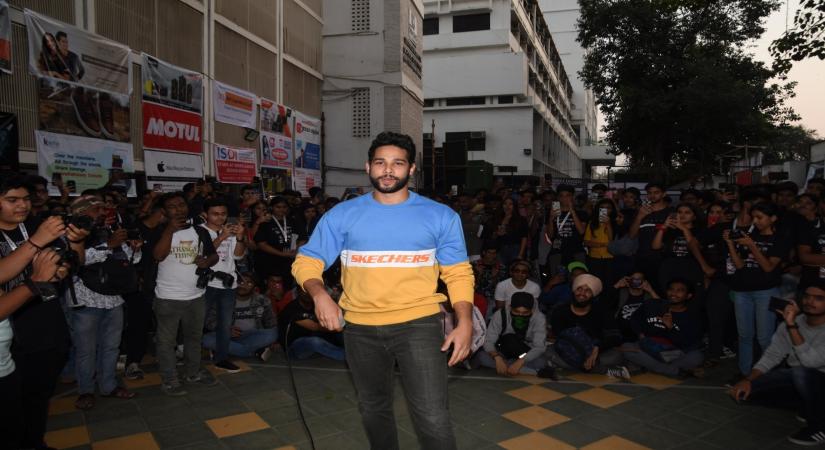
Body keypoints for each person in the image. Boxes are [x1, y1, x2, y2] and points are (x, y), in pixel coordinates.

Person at [292, 131, 474, 450]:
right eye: (380, 162)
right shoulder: (343, 215)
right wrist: (320, 294)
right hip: (359, 328)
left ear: (412, 169)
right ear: (368, 167)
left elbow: (458, 272)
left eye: (397, 163)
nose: (388, 170)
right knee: (373, 409)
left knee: (432, 416)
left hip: (418, 324)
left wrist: (465, 322)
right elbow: (307, 260)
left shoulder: (440, 216)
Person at [0, 173, 87, 449]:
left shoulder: (36, 225)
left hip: (47, 325)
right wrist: (36, 243)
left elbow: (73, 263)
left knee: (38, 400)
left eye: (25, 199)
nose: (22, 205)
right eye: (12, 200)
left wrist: (76, 243)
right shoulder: (38, 233)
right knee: (11, 409)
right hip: (12, 333)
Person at [729, 283, 825, 446]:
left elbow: (811, 363)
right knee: (746, 393)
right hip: (803, 380)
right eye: (807, 297)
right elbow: (772, 355)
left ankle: (820, 426)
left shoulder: (792, 323)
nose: (810, 301)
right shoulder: (794, 321)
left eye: (819, 298)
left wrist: (792, 326)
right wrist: (748, 380)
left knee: (800, 373)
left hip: (819, 378)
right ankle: (807, 407)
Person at [69, 195, 140, 410]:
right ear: (82, 211)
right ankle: (86, 391)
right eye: (98, 209)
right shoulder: (70, 232)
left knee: (111, 347)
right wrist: (108, 245)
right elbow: (75, 261)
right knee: (86, 350)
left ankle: (108, 386)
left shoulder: (108, 229)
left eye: (104, 209)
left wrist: (133, 247)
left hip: (114, 298)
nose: (102, 212)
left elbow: (130, 260)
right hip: (86, 299)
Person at [152, 192, 219, 396]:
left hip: (196, 295)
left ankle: (193, 373)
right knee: (166, 342)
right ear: (164, 211)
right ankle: (170, 380)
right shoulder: (159, 230)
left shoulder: (200, 231)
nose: (178, 209)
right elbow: (158, 256)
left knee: (193, 337)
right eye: (172, 206)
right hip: (168, 297)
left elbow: (213, 254)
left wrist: (207, 261)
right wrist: (170, 231)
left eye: (181, 204)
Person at [724, 202, 791, 377]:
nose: (756, 221)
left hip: (766, 291)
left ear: (773, 219)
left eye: (760, 217)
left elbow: (768, 267)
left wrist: (752, 245)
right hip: (742, 290)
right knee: (744, 336)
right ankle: (745, 374)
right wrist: (730, 244)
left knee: (765, 337)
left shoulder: (780, 239)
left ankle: (768, 375)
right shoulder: (750, 235)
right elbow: (739, 265)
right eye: (754, 217)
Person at [547, 273, 629, 379]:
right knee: (548, 352)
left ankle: (581, 367)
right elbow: (560, 337)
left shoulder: (602, 311)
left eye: (588, 291)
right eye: (579, 289)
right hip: (569, 351)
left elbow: (615, 336)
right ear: (574, 291)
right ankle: (603, 370)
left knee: (615, 356)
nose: (582, 293)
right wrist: (583, 352)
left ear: (593, 295)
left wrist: (597, 347)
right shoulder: (560, 310)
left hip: (598, 352)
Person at [622, 278, 705, 377]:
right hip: (649, 348)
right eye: (671, 289)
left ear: (688, 296)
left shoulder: (692, 316)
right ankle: (672, 371)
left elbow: (688, 343)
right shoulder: (653, 304)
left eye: (680, 290)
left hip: (673, 353)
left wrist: (671, 328)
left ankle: (652, 366)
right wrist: (640, 334)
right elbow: (635, 319)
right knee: (626, 348)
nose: (674, 293)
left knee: (697, 356)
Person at [200, 198, 247, 373]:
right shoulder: (199, 231)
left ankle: (222, 358)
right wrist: (222, 237)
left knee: (225, 324)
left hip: (228, 283)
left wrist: (240, 237)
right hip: (206, 283)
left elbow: (238, 256)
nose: (220, 218)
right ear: (205, 215)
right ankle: (190, 357)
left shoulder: (232, 231)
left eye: (223, 214)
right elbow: (202, 255)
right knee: (197, 323)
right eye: (215, 214)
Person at [203, 273, 278, 361]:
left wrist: (273, 341)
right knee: (205, 339)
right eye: (240, 282)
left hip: (252, 336)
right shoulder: (222, 299)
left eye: (249, 283)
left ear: (254, 287)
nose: (244, 286)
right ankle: (253, 352)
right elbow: (209, 321)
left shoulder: (262, 300)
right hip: (227, 336)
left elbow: (271, 322)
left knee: (273, 334)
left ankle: (227, 350)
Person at [476, 292, 547, 376]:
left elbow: (539, 347)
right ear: (510, 308)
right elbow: (488, 341)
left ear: (532, 310)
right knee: (482, 356)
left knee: (541, 362)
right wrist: (497, 358)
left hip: (524, 353)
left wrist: (521, 361)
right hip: (502, 350)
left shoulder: (539, 318)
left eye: (525, 313)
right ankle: (524, 369)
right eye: (516, 312)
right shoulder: (500, 315)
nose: (520, 315)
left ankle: (508, 366)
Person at [278, 288, 345, 361]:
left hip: (310, 336)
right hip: (293, 348)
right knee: (315, 341)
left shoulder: (314, 304)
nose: (307, 294)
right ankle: (346, 356)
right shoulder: (292, 309)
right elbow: (316, 327)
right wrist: (337, 327)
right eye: (304, 291)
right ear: (298, 291)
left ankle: (348, 348)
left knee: (338, 331)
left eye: (309, 291)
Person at [545, 184, 586, 275]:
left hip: (576, 251)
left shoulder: (581, 213)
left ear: (572, 197)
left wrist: (572, 211)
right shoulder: (552, 212)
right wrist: (551, 219)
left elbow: (581, 231)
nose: (565, 198)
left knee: (578, 279)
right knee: (557, 278)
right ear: (558, 198)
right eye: (561, 196)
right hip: (557, 251)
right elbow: (550, 235)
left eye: (568, 195)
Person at [254, 196, 296, 285]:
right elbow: (261, 244)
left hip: (289, 261)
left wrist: (294, 250)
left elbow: (301, 237)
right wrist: (281, 254)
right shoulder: (265, 222)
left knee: (287, 286)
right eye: (278, 207)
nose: (282, 209)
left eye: (284, 207)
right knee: (269, 287)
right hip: (269, 261)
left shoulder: (293, 220)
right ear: (272, 207)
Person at [583, 198, 616, 286]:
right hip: (594, 258)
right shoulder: (592, 223)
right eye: (602, 208)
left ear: (612, 209)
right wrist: (603, 244)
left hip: (611, 257)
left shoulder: (616, 222)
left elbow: (611, 240)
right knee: (596, 283)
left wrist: (608, 224)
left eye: (608, 207)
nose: (605, 210)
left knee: (609, 283)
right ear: (598, 209)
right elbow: (586, 242)